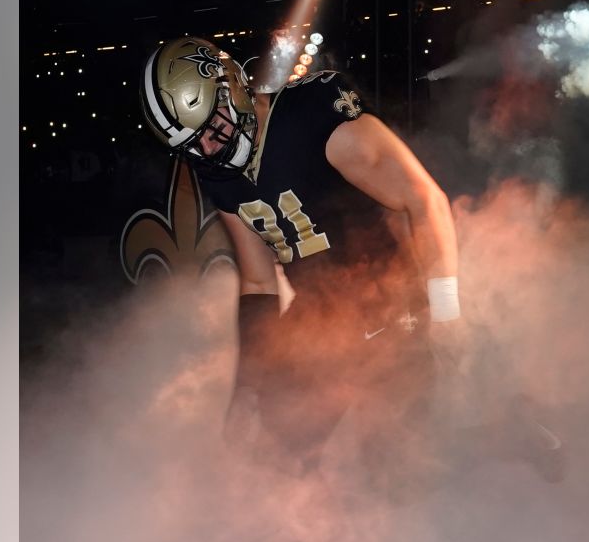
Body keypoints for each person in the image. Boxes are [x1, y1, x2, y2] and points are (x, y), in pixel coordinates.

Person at [139, 36, 562, 488]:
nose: (207, 148)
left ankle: (508, 430)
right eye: (193, 142)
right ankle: (313, 534)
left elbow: (425, 201)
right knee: (280, 434)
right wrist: (247, 384)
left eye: (211, 127)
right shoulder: (216, 172)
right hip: (323, 311)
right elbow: (259, 282)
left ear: (232, 88)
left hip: (385, 295)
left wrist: (445, 313)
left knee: (401, 467)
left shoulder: (312, 117)